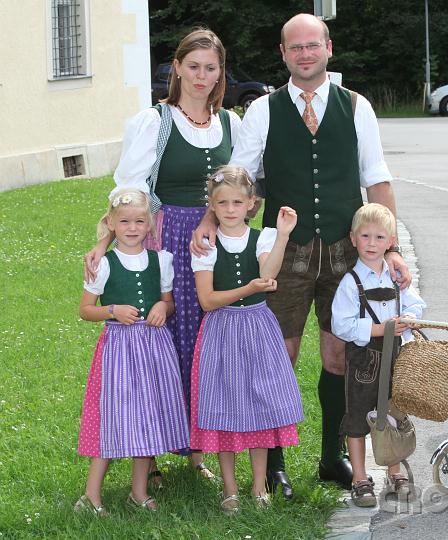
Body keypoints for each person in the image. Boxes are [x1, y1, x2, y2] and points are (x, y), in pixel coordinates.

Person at [192, 13, 410, 498]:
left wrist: (390, 248)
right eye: (296, 47)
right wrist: (211, 219)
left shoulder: (356, 106)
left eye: (313, 45)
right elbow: (239, 177)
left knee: (340, 355)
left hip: (344, 253)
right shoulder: (263, 110)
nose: (305, 54)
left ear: (329, 48)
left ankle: (333, 456)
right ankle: (274, 466)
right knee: (278, 357)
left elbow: (377, 179)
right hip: (281, 254)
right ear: (283, 53)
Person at [84, 28, 242, 479]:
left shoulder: (230, 123)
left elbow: (243, 188)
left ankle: (195, 452)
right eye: (192, 66)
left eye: (210, 68)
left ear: (219, 72)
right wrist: (104, 240)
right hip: (167, 238)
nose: (201, 76)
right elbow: (128, 192)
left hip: (215, 246)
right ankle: (148, 455)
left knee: (203, 343)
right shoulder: (155, 122)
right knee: (159, 346)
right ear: (176, 67)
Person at [190, 167, 304, 514]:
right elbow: (207, 301)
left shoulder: (263, 237)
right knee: (225, 407)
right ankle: (230, 490)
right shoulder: (206, 245)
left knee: (260, 407)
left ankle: (257, 489)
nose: (229, 208)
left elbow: (267, 276)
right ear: (211, 205)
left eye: (238, 202)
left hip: (257, 328)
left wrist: (283, 235)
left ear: (251, 204)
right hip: (222, 330)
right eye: (222, 202)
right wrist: (247, 289)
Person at [75, 190, 189, 515]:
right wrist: (112, 310)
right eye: (124, 221)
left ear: (149, 225)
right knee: (114, 418)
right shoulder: (104, 264)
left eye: (140, 221)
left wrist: (161, 307)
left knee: (149, 416)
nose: (132, 227)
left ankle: (138, 492)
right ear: (111, 224)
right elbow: (85, 310)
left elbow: (169, 302)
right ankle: (91, 496)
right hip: (120, 351)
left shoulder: (160, 260)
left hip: (154, 348)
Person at [331, 203, 425, 507]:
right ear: (353, 238)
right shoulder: (350, 283)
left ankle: (394, 470)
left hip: (395, 356)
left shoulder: (394, 278)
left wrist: (408, 319)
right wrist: (378, 329)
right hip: (364, 360)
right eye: (366, 236)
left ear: (390, 241)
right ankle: (360, 478)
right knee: (358, 417)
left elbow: (415, 305)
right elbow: (340, 324)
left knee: (393, 413)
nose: (372, 244)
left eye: (379, 238)